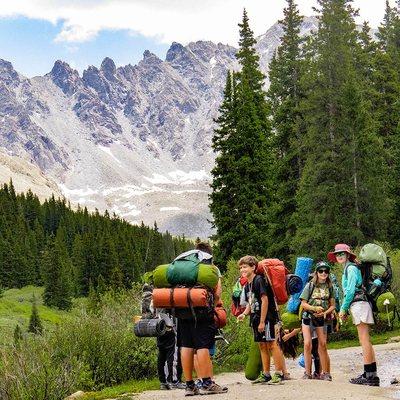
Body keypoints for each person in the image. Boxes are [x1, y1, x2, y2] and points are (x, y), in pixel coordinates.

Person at [177, 242, 226, 396]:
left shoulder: (183, 267)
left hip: (183, 310)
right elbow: (217, 292)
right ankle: (207, 382)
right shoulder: (211, 268)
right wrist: (215, 304)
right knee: (202, 346)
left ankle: (189, 385)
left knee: (186, 346)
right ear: (209, 254)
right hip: (203, 311)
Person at [328, 243, 380, 386]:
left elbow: (350, 291)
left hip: (359, 304)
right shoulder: (351, 268)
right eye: (337, 254)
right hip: (361, 304)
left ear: (348, 255)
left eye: (342, 253)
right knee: (366, 340)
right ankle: (371, 374)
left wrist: (343, 309)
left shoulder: (350, 268)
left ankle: (369, 377)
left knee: (364, 340)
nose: (339, 256)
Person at [237, 255, 285, 384]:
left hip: (267, 318)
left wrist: (263, 321)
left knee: (272, 344)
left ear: (253, 267)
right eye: (241, 268)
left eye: (245, 267)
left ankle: (279, 373)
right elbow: (250, 302)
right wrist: (244, 314)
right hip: (255, 318)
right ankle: (266, 374)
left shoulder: (259, 280)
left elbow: (265, 300)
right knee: (262, 345)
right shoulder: (248, 284)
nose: (242, 270)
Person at [300, 261, 335, 381]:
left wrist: (325, 313)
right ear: (316, 272)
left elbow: (332, 305)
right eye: (321, 271)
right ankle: (307, 373)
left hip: (321, 319)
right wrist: (314, 308)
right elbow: (303, 303)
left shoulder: (330, 286)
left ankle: (326, 373)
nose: (323, 273)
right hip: (308, 317)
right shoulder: (310, 285)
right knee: (307, 343)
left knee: (323, 344)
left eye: (326, 271)